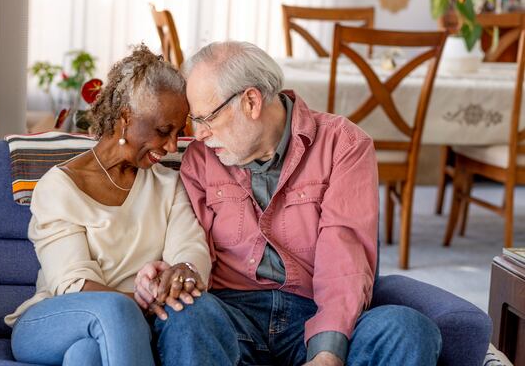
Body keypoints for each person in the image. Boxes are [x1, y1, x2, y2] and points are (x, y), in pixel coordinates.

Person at [136, 41, 443, 366]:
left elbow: (345, 257)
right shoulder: (202, 159)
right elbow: (191, 243)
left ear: (251, 102)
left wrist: (327, 354)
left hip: (314, 316)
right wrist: (174, 270)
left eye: (206, 119)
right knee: (184, 315)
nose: (199, 134)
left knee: (408, 330)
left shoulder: (344, 146)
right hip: (232, 318)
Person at [5, 45, 236, 366]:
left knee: (85, 357)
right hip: (55, 319)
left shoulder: (169, 186)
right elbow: (72, 284)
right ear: (126, 118)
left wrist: (184, 271)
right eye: (163, 131)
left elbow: (189, 250)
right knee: (115, 309)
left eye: (178, 132)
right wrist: (146, 300)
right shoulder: (60, 187)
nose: (171, 146)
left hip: (127, 328)